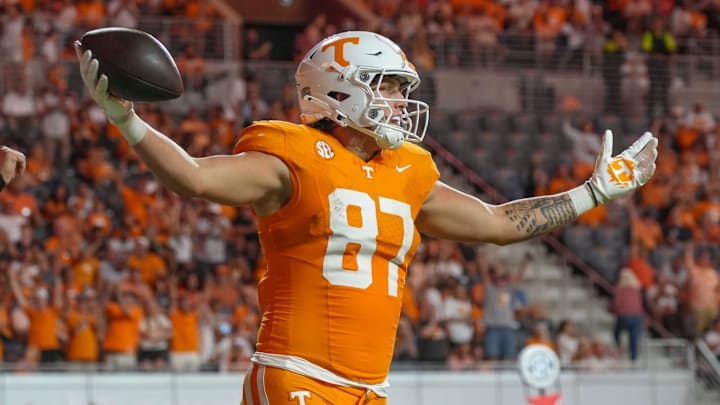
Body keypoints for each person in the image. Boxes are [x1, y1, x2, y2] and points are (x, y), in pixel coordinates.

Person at [75, 30, 658, 404]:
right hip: (296, 377)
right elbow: (194, 177)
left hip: (367, 391)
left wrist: (595, 191)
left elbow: (499, 224)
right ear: (338, 91)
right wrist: (128, 121)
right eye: (387, 87)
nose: (400, 103)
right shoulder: (290, 154)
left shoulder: (408, 170)